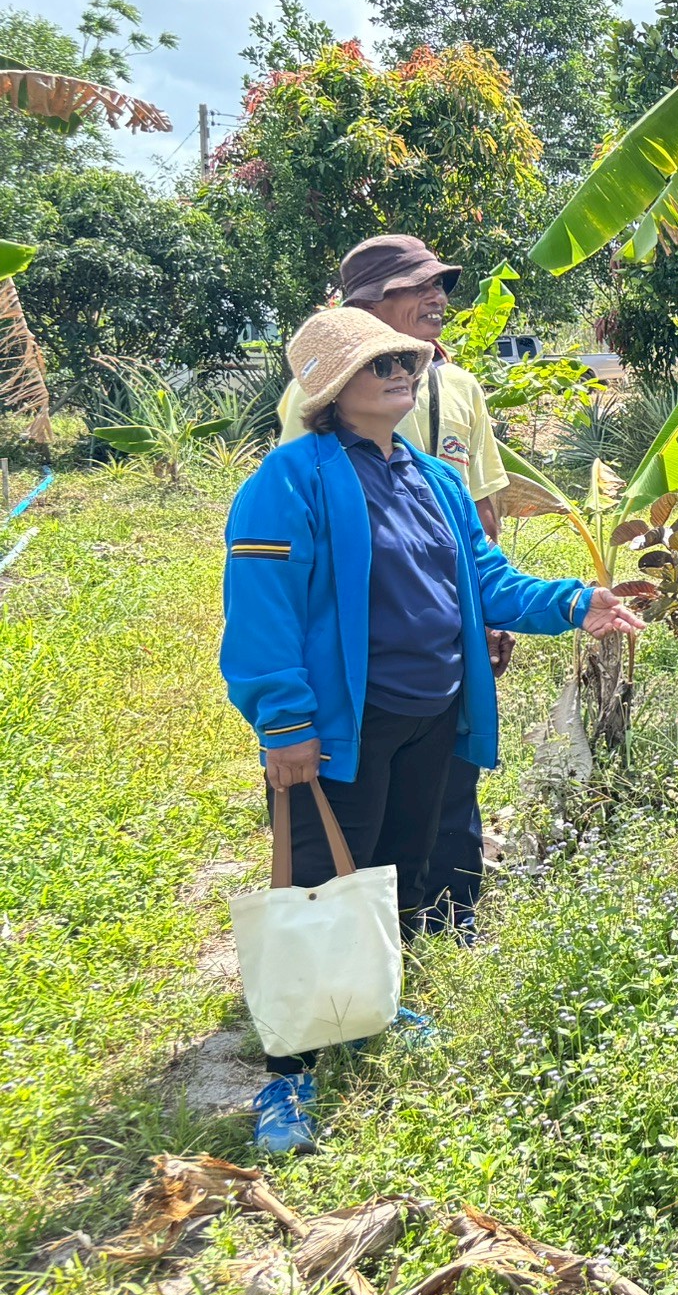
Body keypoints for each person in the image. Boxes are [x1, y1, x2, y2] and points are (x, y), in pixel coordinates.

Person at [226, 308, 644, 1152]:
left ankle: (370, 1002)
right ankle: (288, 1075)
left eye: (406, 361)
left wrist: (573, 601)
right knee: (314, 884)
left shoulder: (433, 478)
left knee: (391, 872)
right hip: (344, 722)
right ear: (332, 388)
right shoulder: (291, 478)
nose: (400, 371)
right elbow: (261, 614)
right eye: (379, 363)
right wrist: (284, 722)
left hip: (431, 713)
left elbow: (486, 582)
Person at [273, 235, 512, 938]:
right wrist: (286, 717)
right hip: (360, 666)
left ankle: (438, 922)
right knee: (350, 823)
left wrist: (494, 613)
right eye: (418, 287)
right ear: (366, 306)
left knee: (441, 797)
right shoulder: (307, 432)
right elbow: (291, 568)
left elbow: (483, 522)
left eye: (441, 285)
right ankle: (328, 989)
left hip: (441, 653)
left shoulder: (456, 394)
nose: (438, 298)